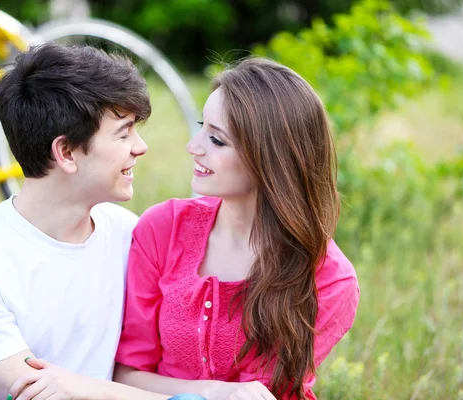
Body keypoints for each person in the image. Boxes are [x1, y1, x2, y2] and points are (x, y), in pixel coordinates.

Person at [112, 57, 360, 399]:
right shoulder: (163, 228)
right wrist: (213, 391)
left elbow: (260, 393)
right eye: (202, 126)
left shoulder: (329, 280)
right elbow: (126, 374)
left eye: (217, 140)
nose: (193, 146)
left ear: (270, 159)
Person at [0, 43, 206, 400]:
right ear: (66, 152)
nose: (140, 147)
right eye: (123, 133)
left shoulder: (130, 233)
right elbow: (30, 391)